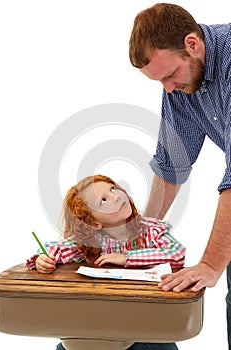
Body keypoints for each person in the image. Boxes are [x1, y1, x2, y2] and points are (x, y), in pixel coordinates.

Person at [129, 2, 231, 349]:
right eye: (159, 82)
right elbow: (172, 166)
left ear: (192, 44)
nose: (169, 88)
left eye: (170, 75)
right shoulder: (181, 85)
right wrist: (138, 237)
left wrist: (210, 265)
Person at [27, 174, 185, 350]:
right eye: (103, 200)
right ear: (94, 222)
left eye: (113, 188)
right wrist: (42, 258)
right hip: (102, 323)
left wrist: (128, 258)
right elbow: (54, 249)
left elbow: (176, 253)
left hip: (145, 321)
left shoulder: (148, 229)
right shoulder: (90, 241)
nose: (116, 196)